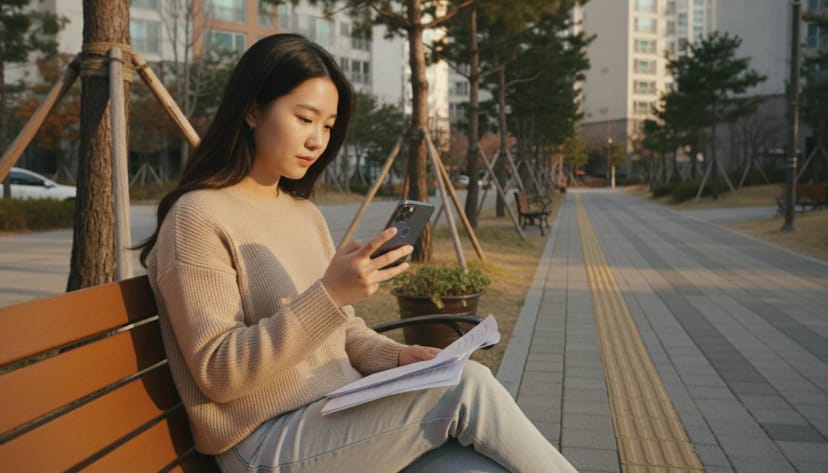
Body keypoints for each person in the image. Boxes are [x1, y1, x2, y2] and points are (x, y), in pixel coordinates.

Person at [138, 33, 576, 473]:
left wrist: (398, 357)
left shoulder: (302, 213)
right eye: (305, 118)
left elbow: (342, 331)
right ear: (253, 109)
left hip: (336, 415)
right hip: (260, 440)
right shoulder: (197, 217)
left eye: (328, 125)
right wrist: (329, 295)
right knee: (471, 387)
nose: (317, 140)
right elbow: (219, 373)